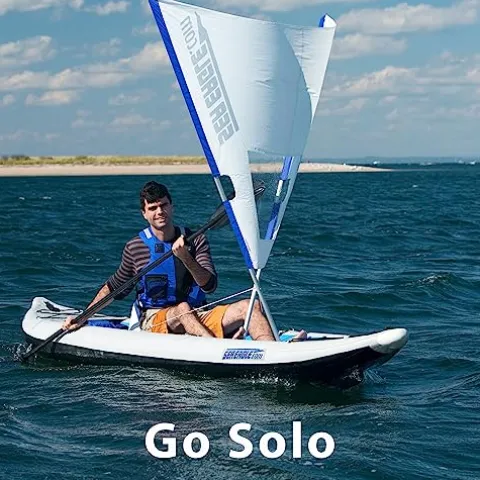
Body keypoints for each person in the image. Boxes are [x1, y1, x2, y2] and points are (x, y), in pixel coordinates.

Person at [62, 181, 288, 341]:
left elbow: (209, 286)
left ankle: (272, 354)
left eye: (163, 205)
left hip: (197, 314)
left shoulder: (195, 239)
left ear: (172, 206)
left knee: (250, 306)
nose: (159, 211)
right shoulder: (135, 247)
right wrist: (83, 317)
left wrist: (186, 258)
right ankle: (215, 348)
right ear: (144, 214)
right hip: (154, 321)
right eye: (152, 208)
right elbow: (113, 288)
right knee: (182, 308)